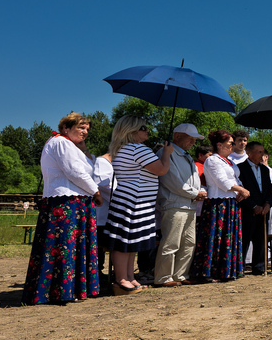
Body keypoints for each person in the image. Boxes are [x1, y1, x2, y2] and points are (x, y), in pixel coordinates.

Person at [22, 112, 102, 305]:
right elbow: (74, 172)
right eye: (80, 128)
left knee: (70, 246)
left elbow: (89, 168)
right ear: (66, 128)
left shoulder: (70, 146)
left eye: (87, 130)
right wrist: (96, 191)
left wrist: (83, 149)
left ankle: (68, 290)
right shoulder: (61, 143)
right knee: (63, 246)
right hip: (66, 201)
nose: (84, 132)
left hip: (76, 200)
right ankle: (59, 292)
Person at [100, 115, 172, 293]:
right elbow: (161, 169)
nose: (147, 131)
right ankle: (121, 279)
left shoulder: (123, 148)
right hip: (133, 201)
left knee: (131, 244)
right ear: (131, 131)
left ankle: (129, 277)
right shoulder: (137, 149)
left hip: (134, 201)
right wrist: (167, 153)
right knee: (124, 243)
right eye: (143, 128)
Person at [190, 130, 249, 282]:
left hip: (231, 202)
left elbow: (235, 178)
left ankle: (227, 270)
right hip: (218, 203)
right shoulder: (213, 160)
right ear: (219, 145)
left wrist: (241, 189)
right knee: (215, 236)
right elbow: (222, 182)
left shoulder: (229, 161)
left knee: (228, 236)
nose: (233, 145)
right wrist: (240, 189)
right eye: (230, 143)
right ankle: (209, 272)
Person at [153, 123, 206, 287]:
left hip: (188, 205)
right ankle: (163, 277)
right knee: (171, 242)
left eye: (195, 139)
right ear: (177, 136)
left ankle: (180, 274)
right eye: (190, 138)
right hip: (175, 204)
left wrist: (197, 192)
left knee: (189, 242)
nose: (193, 142)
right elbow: (171, 180)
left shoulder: (185, 155)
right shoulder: (166, 152)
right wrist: (195, 193)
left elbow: (191, 180)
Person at [238, 140, 272, 275]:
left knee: (261, 239)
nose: (261, 155)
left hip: (263, 210)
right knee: (245, 239)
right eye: (259, 152)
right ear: (249, 152)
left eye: (262, 152)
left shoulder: (265, 170)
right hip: (248, 210)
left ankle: (259, 267)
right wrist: (253, 206)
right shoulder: (240, 168)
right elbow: (240, 189)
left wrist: (268, 203)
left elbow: (269, 189)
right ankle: (239, 267)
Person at [91, 150, 113, 285]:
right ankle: (96, 272)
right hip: (101, 213)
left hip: (109, 213)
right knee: (98, 246)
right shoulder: (101, 162)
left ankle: (99, 271)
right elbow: (104, 185)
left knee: (102, 246)